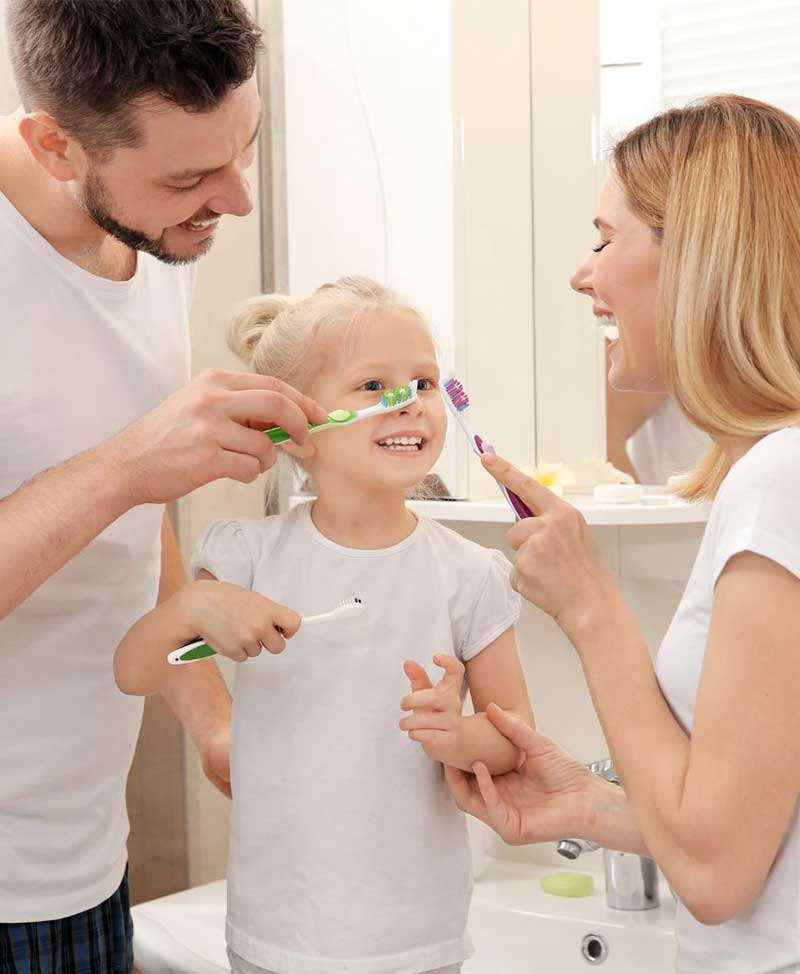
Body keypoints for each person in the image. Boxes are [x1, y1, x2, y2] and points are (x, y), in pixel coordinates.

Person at [0, 3, 328, 971]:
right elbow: (119, 486)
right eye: (189, 176)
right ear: (55, 145)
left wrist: (212, 719)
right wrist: (131, 462)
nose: (235, 200)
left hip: (85, 864)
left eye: (244, 148)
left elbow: (129, 537)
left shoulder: (154, 239)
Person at [445, 95, 800, 974]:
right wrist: (588, 805)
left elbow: (719, 878)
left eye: (605, 240)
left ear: (697, 261)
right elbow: (756, 829)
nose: (583, 274)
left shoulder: (780, 482)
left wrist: (589, 603)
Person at [113, 276, 535, 974]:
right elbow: (134, 671)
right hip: (275, 938)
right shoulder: (248, 556)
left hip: (416, 944)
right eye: (374, 385)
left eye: (425, 382)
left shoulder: (469, 575)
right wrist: (189, 610)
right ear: (296, 433)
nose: (410, 402)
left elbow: (517, 740)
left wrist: (459, 735)